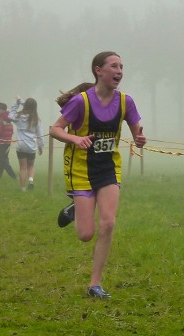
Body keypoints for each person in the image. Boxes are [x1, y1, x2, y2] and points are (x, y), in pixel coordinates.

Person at [49, 51, 146, 299]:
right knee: (85, 234)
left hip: (108, 169)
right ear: (98, 70)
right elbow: (55, 129)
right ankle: (74, 209)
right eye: (114, 66)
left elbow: (137, 135)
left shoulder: (126, 102)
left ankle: (95, 284)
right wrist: (75, 138)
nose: (119, 71)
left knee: (108, 223)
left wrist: (140, 139)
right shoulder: (81, 102)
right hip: (81, 170)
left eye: (122, 67)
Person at [8, 97, 44, 191]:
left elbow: (10, 114)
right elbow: (40, 136)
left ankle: (23, 189)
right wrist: (41, 147)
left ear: (25, 106)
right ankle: (31, 180)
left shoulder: (19, 117)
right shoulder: (37, 120)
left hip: (20, 146)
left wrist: (17, 103)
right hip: (31, 146)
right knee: (31, 166)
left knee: (22, 168)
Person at [0, 102, 17, 180]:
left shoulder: (0, 119)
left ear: (2, 110)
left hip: (1, 142)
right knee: (1, 159)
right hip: (8, 142)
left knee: (4, 161)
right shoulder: (9, 119)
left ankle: (14, 176)